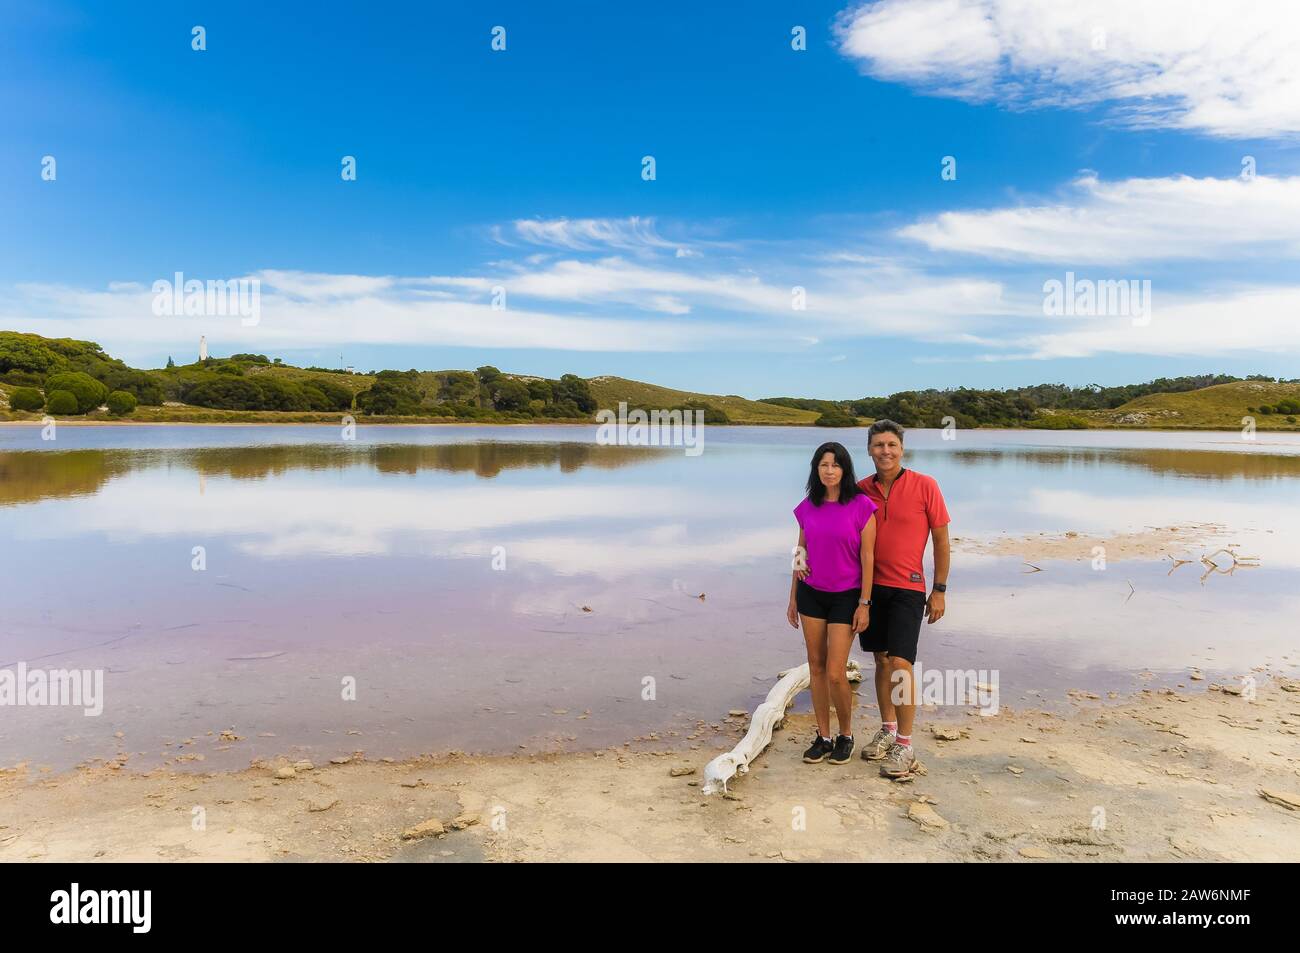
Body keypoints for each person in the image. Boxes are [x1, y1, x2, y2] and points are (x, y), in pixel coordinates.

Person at [855, 420, 950, 778]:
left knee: (901, 664)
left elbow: (941, 541)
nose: (885, 451)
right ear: (869, 450)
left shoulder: (926, 486)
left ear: (902, 448)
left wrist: (938, 590)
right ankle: (888, 729)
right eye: (878, 445)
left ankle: (906, 745)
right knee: (880, 661)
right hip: (869, 589)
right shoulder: (860, 490)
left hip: (909, 588)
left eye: (891, 444)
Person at [786, 442, 877, 765]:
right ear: (816, 469)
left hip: (846, 596)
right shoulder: (807, 507)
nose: (829, 471)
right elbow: (800, 553)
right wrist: (792, 599)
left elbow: (868, 558)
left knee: (837, 672)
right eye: (823, 465)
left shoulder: (862, 506)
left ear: (844, 469)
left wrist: (864, 603)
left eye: (835, 465)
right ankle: (823, 736)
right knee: (816, 667)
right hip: (811, 594)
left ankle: (846, 735)